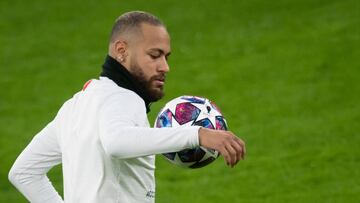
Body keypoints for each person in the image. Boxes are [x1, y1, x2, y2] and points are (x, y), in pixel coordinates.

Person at [8, 11, 246, 203]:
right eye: (155, 55)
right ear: (122, 51)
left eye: (166, 57)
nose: (165, 67)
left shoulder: (76, 105)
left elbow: (23, 172)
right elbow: (116, 142)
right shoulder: (124, 97)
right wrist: (199, 134)